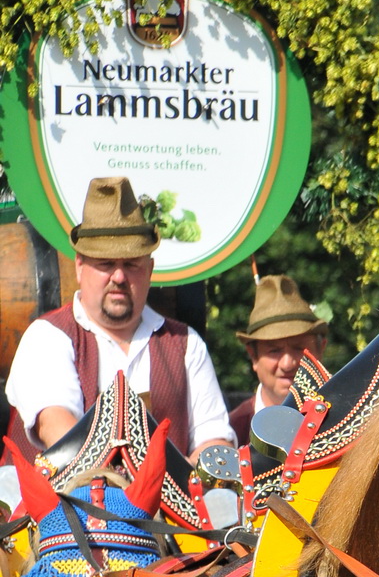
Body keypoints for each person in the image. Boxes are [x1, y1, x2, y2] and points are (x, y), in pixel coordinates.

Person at [5, 176, 233, 462]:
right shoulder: (47, 337)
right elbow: (57, 429)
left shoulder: (186, 344)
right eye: (106, 264)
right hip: (65, 493)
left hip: (167, 493)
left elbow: (216, 443)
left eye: (131, 264)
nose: (119, 276)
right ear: (80, 267)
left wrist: (175, 479)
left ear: (150, 269)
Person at [229, 275, 328, 446]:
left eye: (299, 348)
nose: (287, 363)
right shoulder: (233, 432)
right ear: (253, 356)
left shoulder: (348, 419)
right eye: (274, 351)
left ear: (321, 349)